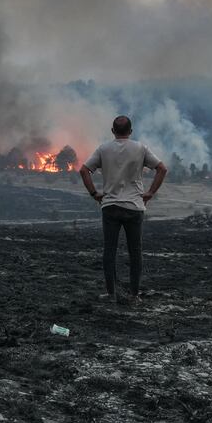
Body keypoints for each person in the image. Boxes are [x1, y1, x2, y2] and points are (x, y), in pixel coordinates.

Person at [79, 115, 168, 304]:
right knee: (135, 252)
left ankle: (111, 294)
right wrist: (150, 192)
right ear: (131, 131)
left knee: (109, 251)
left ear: (113, 131)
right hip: (134, 207)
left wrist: (94, 194)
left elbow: (84, 170)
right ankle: (134, 295)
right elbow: (162, 169)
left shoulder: (103, 149)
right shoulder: (140, 148)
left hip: (110, 206)